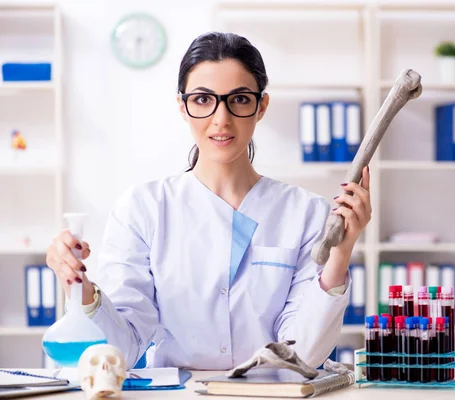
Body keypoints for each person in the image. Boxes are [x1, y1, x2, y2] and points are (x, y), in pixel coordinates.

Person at [45, 32, 371, 370]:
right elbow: (123, 349)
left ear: (261, 106)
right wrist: (79, 285)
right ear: (182, 106)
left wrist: (340, 256)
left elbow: (302, 355)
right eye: (202, 99)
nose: (221, 119)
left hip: (269, 395)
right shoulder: (143, 209)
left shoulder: (306, 213)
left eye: (240, 99)